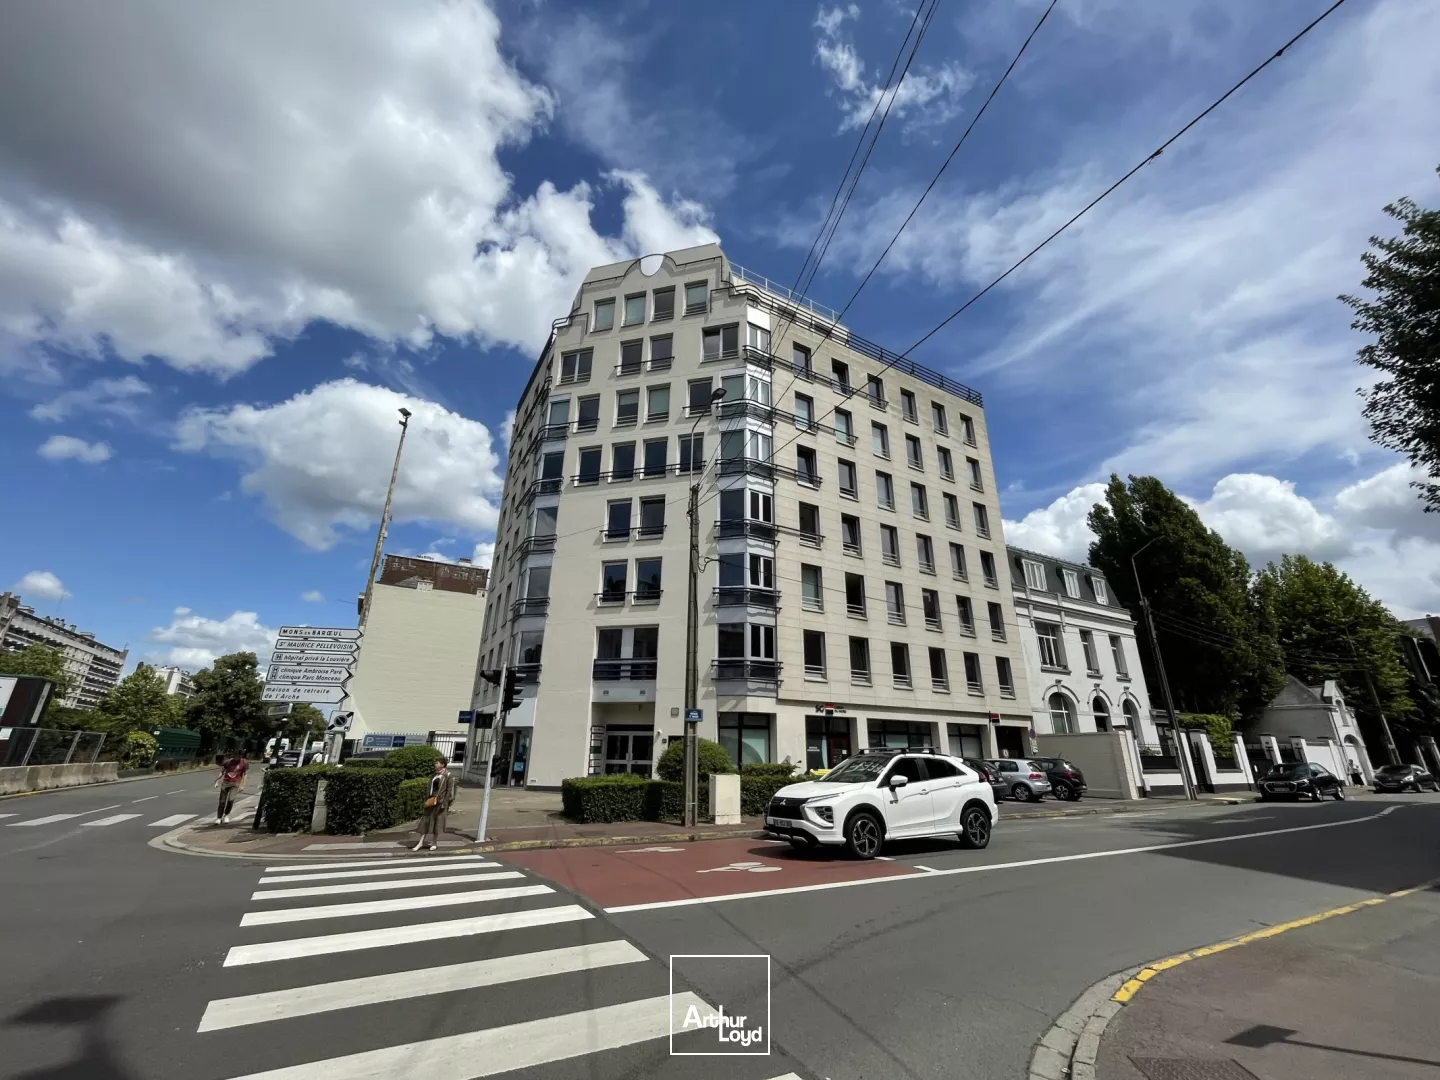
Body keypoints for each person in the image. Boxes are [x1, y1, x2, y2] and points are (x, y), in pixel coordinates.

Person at [414, 758, 458, 852]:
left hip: (440, 802)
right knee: (425, 821)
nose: (435, 764)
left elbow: (449, 790)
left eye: (437, 763)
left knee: (437, 823)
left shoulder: (448, 776)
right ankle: (420, 842)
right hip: (431, 801)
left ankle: (434, 842)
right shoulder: (434, 775)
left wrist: (445, 803)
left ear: (442, 765)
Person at [214, 753, 248, 825]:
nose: (236, 759)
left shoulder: (244, 763)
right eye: (235, 756)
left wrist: (242, 785)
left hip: (235, 784)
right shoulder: (228, 762)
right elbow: (222, 772)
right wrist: (217, 781)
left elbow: (244, 774)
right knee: (222, 801)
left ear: (240, 757)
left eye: (238, 757)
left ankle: (226, 815)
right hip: (226, 783)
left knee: (231, 800)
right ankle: (219, 817)